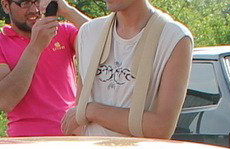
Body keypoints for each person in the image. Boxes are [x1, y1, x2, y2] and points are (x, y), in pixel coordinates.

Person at [61, 0, 191, 140]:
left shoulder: (174, 38)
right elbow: (78, 119)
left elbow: (161, 128)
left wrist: (92, 111)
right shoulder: (88, 33)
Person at [0, 0, 89, 137]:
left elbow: (104, 41)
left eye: (37, 1)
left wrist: (67, 10)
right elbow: (4, 101)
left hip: (70, 139)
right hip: (26, 142)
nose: (34, 9)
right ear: (6, 6)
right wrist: (35, 48)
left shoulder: (64, 31)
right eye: (24, 3)